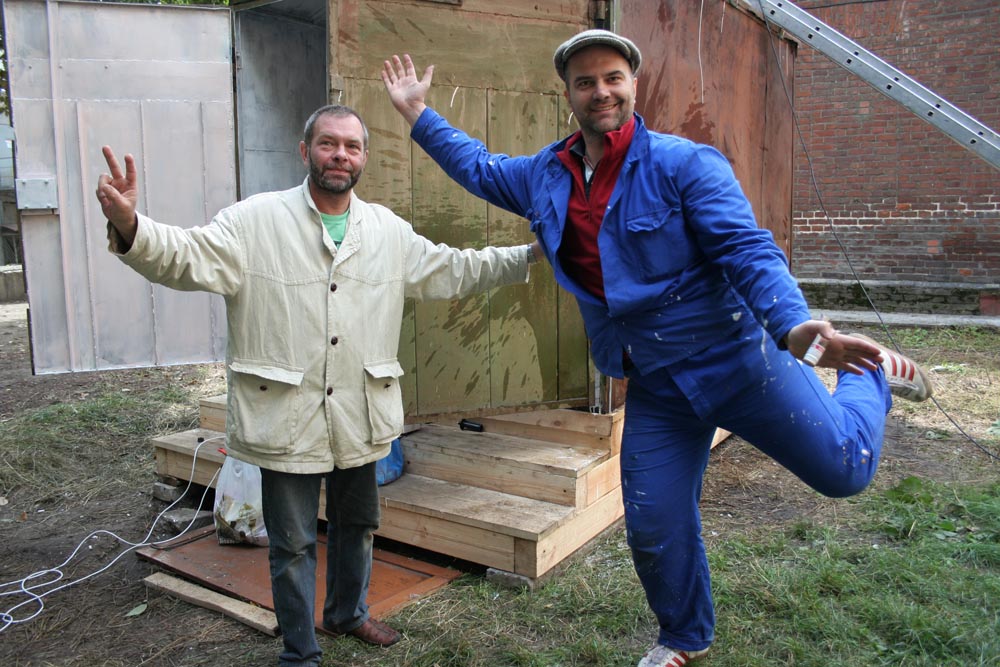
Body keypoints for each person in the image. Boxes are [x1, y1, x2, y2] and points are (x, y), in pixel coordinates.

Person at [380, 30, 932, 667]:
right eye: (585, 82)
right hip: (657, 385)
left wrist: (794, 327)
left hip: (738, 362)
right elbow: (478, 166)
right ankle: (685, 636)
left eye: (612, 77)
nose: (601, 91)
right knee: (653, 521)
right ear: (569, 95)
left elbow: (746, 250)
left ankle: (872, 375)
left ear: (633, 85)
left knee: (844, 471)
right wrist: (418, 114)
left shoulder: (683, 164)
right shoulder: (544, 176)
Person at [95, 104, 539, 667]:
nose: (340, 156)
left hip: (358, 410)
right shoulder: (254, 221)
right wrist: (132, 225)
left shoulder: (386, 230)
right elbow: (184, 256)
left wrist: (529, 255)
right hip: (287, 414)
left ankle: (348, 614)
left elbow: (454, 268)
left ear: (364, 158)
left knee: (358, 524)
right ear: (305, 151)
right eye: (329, 144)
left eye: (352, 146)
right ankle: (299, 650)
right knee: (293, 542)